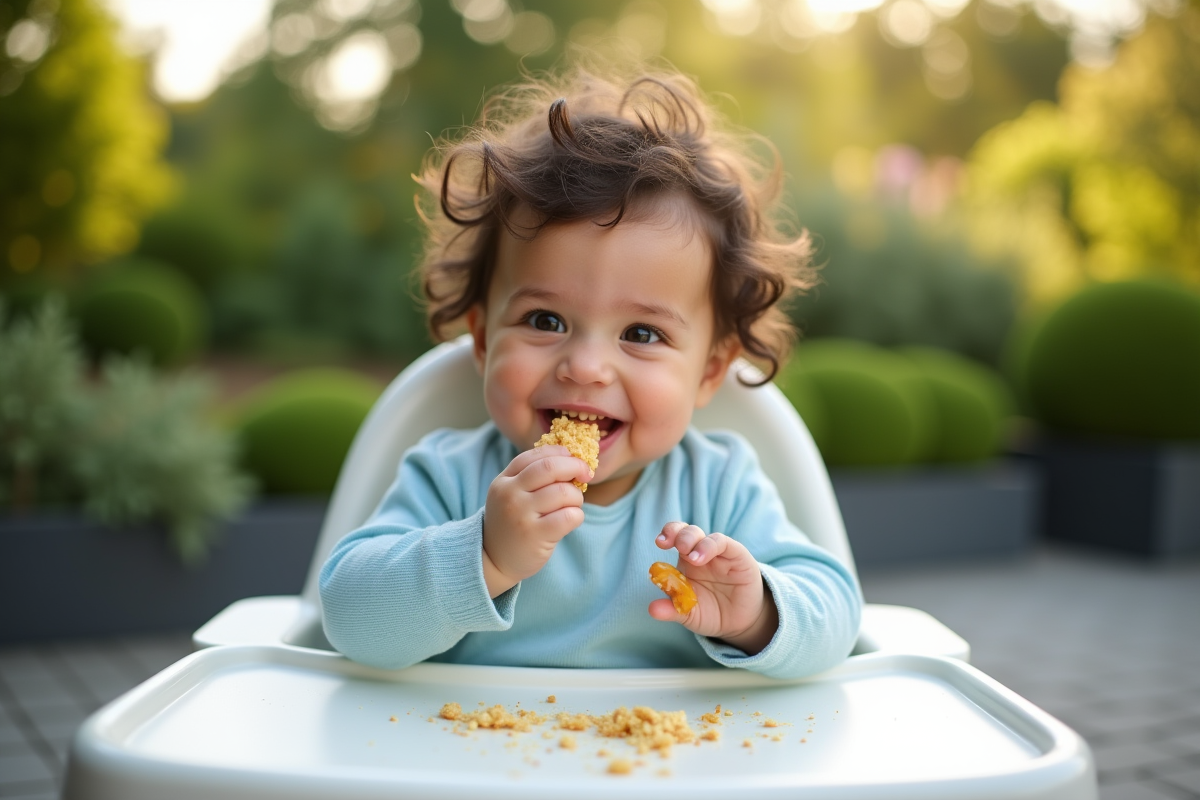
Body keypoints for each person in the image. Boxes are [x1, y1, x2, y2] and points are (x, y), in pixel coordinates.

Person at [319, 66, 862, 678]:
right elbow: (346, 618)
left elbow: (839, 613)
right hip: (472, 760)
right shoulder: (449, 475)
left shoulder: (721, 485)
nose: (585, 367)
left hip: (674, 764)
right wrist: (483, 555)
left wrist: (756, 612)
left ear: (710, 372)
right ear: (481, 337)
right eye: (545, 320)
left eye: (641, 333)